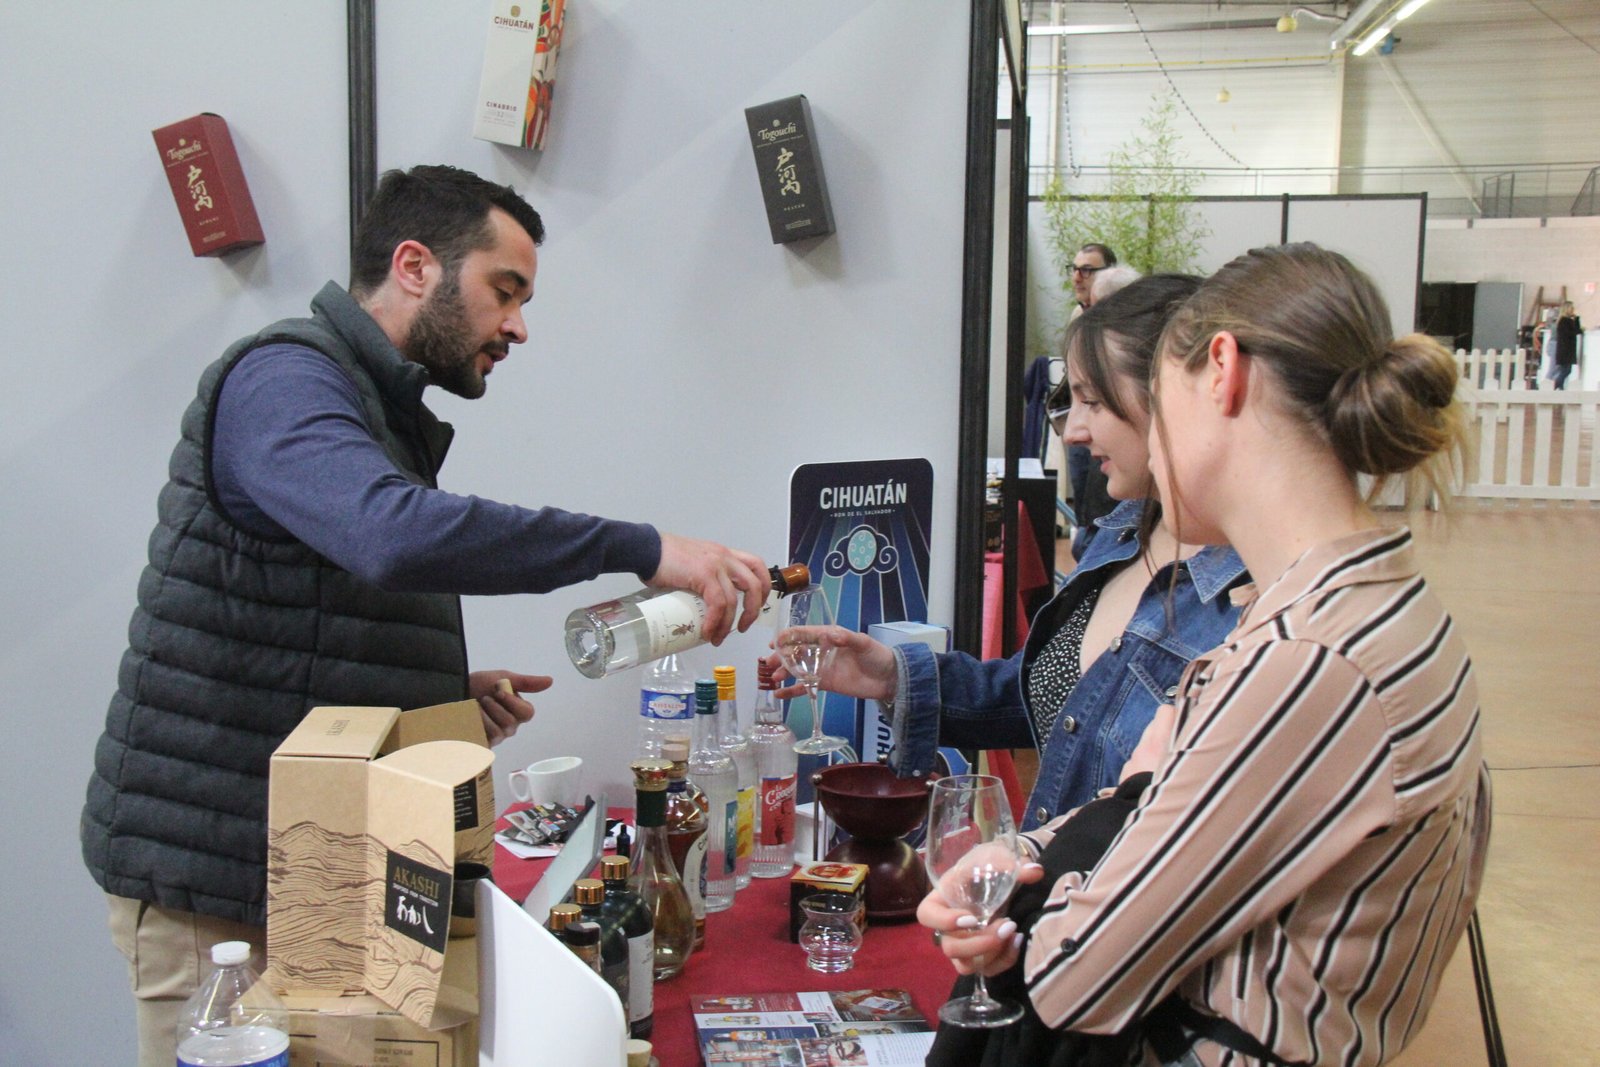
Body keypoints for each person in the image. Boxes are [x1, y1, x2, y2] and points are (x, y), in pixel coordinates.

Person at [83, 164, 771, 1066]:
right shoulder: (282, 378)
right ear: (415, 266)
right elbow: (389, 536)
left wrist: (436, 691)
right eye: (505, 291)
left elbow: (310, 602)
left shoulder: (373, 409)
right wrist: (640, 546)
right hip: (219, 891)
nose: (519, 325)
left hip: (307, 877)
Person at [921, 243, 1491, 1067]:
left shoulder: (1311, 660)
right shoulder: (1372, 610)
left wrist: (1035, 902)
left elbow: (1078, 975)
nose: (1149, 444)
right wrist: (1028, 855)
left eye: (1156, 397)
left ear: (1220, 369)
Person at [785, 276, 1246, 831]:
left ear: (1177, 398)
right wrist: (892, 677)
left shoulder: (1251, 599)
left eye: (1093, 403)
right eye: (1069, 402)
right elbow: (1049, 697)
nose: (1073, 430)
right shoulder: (1125, 534)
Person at [1063, 243, 1123, 548]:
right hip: (1080, 426)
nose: (1077, 277)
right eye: (1074, 269)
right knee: (1084, 514)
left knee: (1104, 511)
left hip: (1106, 428)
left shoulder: (1120, 324)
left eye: (1087, 269)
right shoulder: (1078, 315)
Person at [1551, 301, 1583, 389]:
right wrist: (1576, 320)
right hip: (1566, 350)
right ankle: (1556, 385)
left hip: (1564, 350)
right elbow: (1576, 332)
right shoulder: (1566, 321)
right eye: (1572, 308)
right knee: (1566, 370)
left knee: (1564, 370)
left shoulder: (1562, 321)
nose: (1573, 310)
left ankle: (1559, 387)